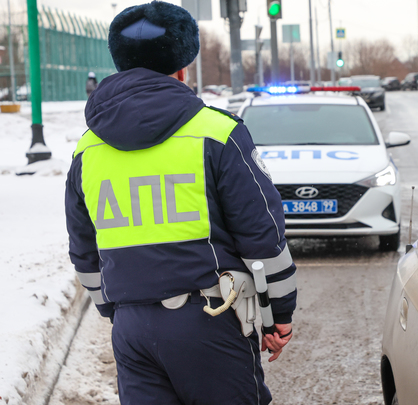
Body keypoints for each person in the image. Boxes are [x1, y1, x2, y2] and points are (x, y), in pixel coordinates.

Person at [65, 2, 296, 404]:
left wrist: (115, 312)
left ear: (120, 63)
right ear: (183, 68)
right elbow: (262, 236)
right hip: (209, 320)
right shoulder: (216, 132)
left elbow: (84, 252)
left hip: (131, 329)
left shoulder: (87, 150)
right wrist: (279, 316)